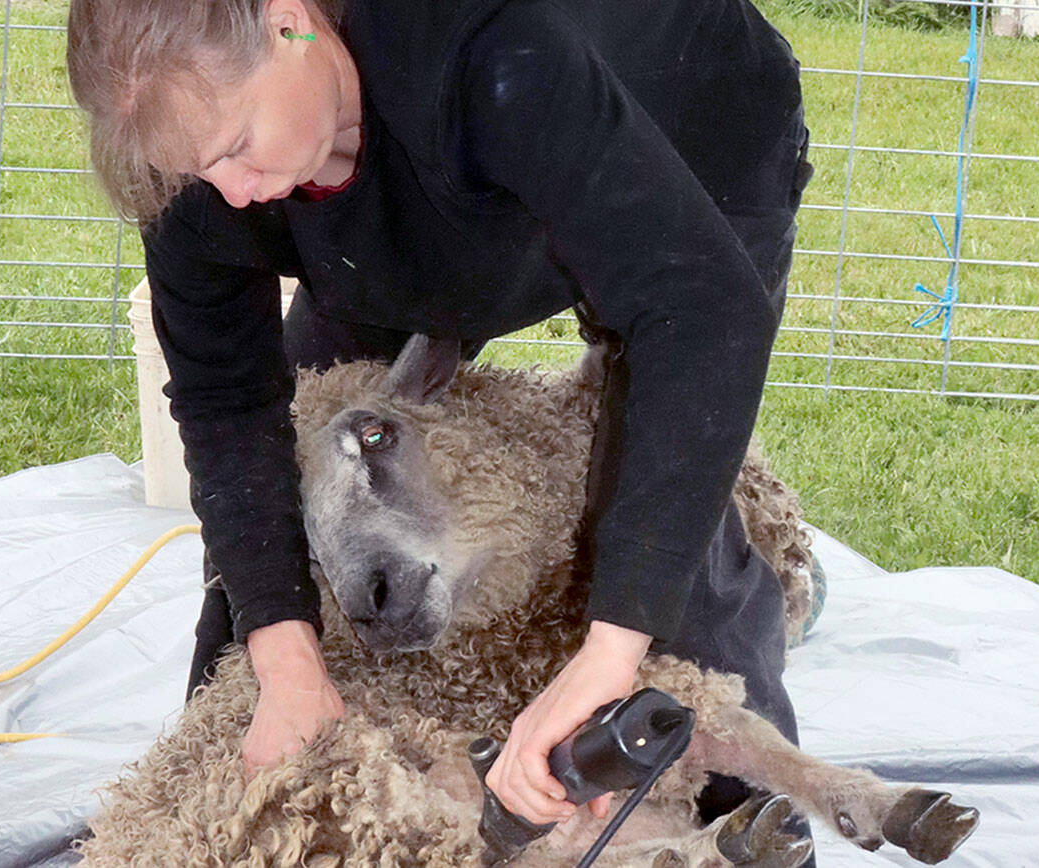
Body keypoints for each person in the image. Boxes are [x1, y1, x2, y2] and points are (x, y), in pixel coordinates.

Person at [67, 0, 813, 855]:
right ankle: (225, 801)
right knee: (307, 492)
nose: (231, 190)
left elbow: (700, 307)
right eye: (200, 170)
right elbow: (228, 406)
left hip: (679, 129)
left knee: (659, 511)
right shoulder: (211, 178)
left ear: (287, 23)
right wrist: (282, 658)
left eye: (237, 145)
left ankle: (746, 819)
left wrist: (609, 652)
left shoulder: (480, 48)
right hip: (411, 189)